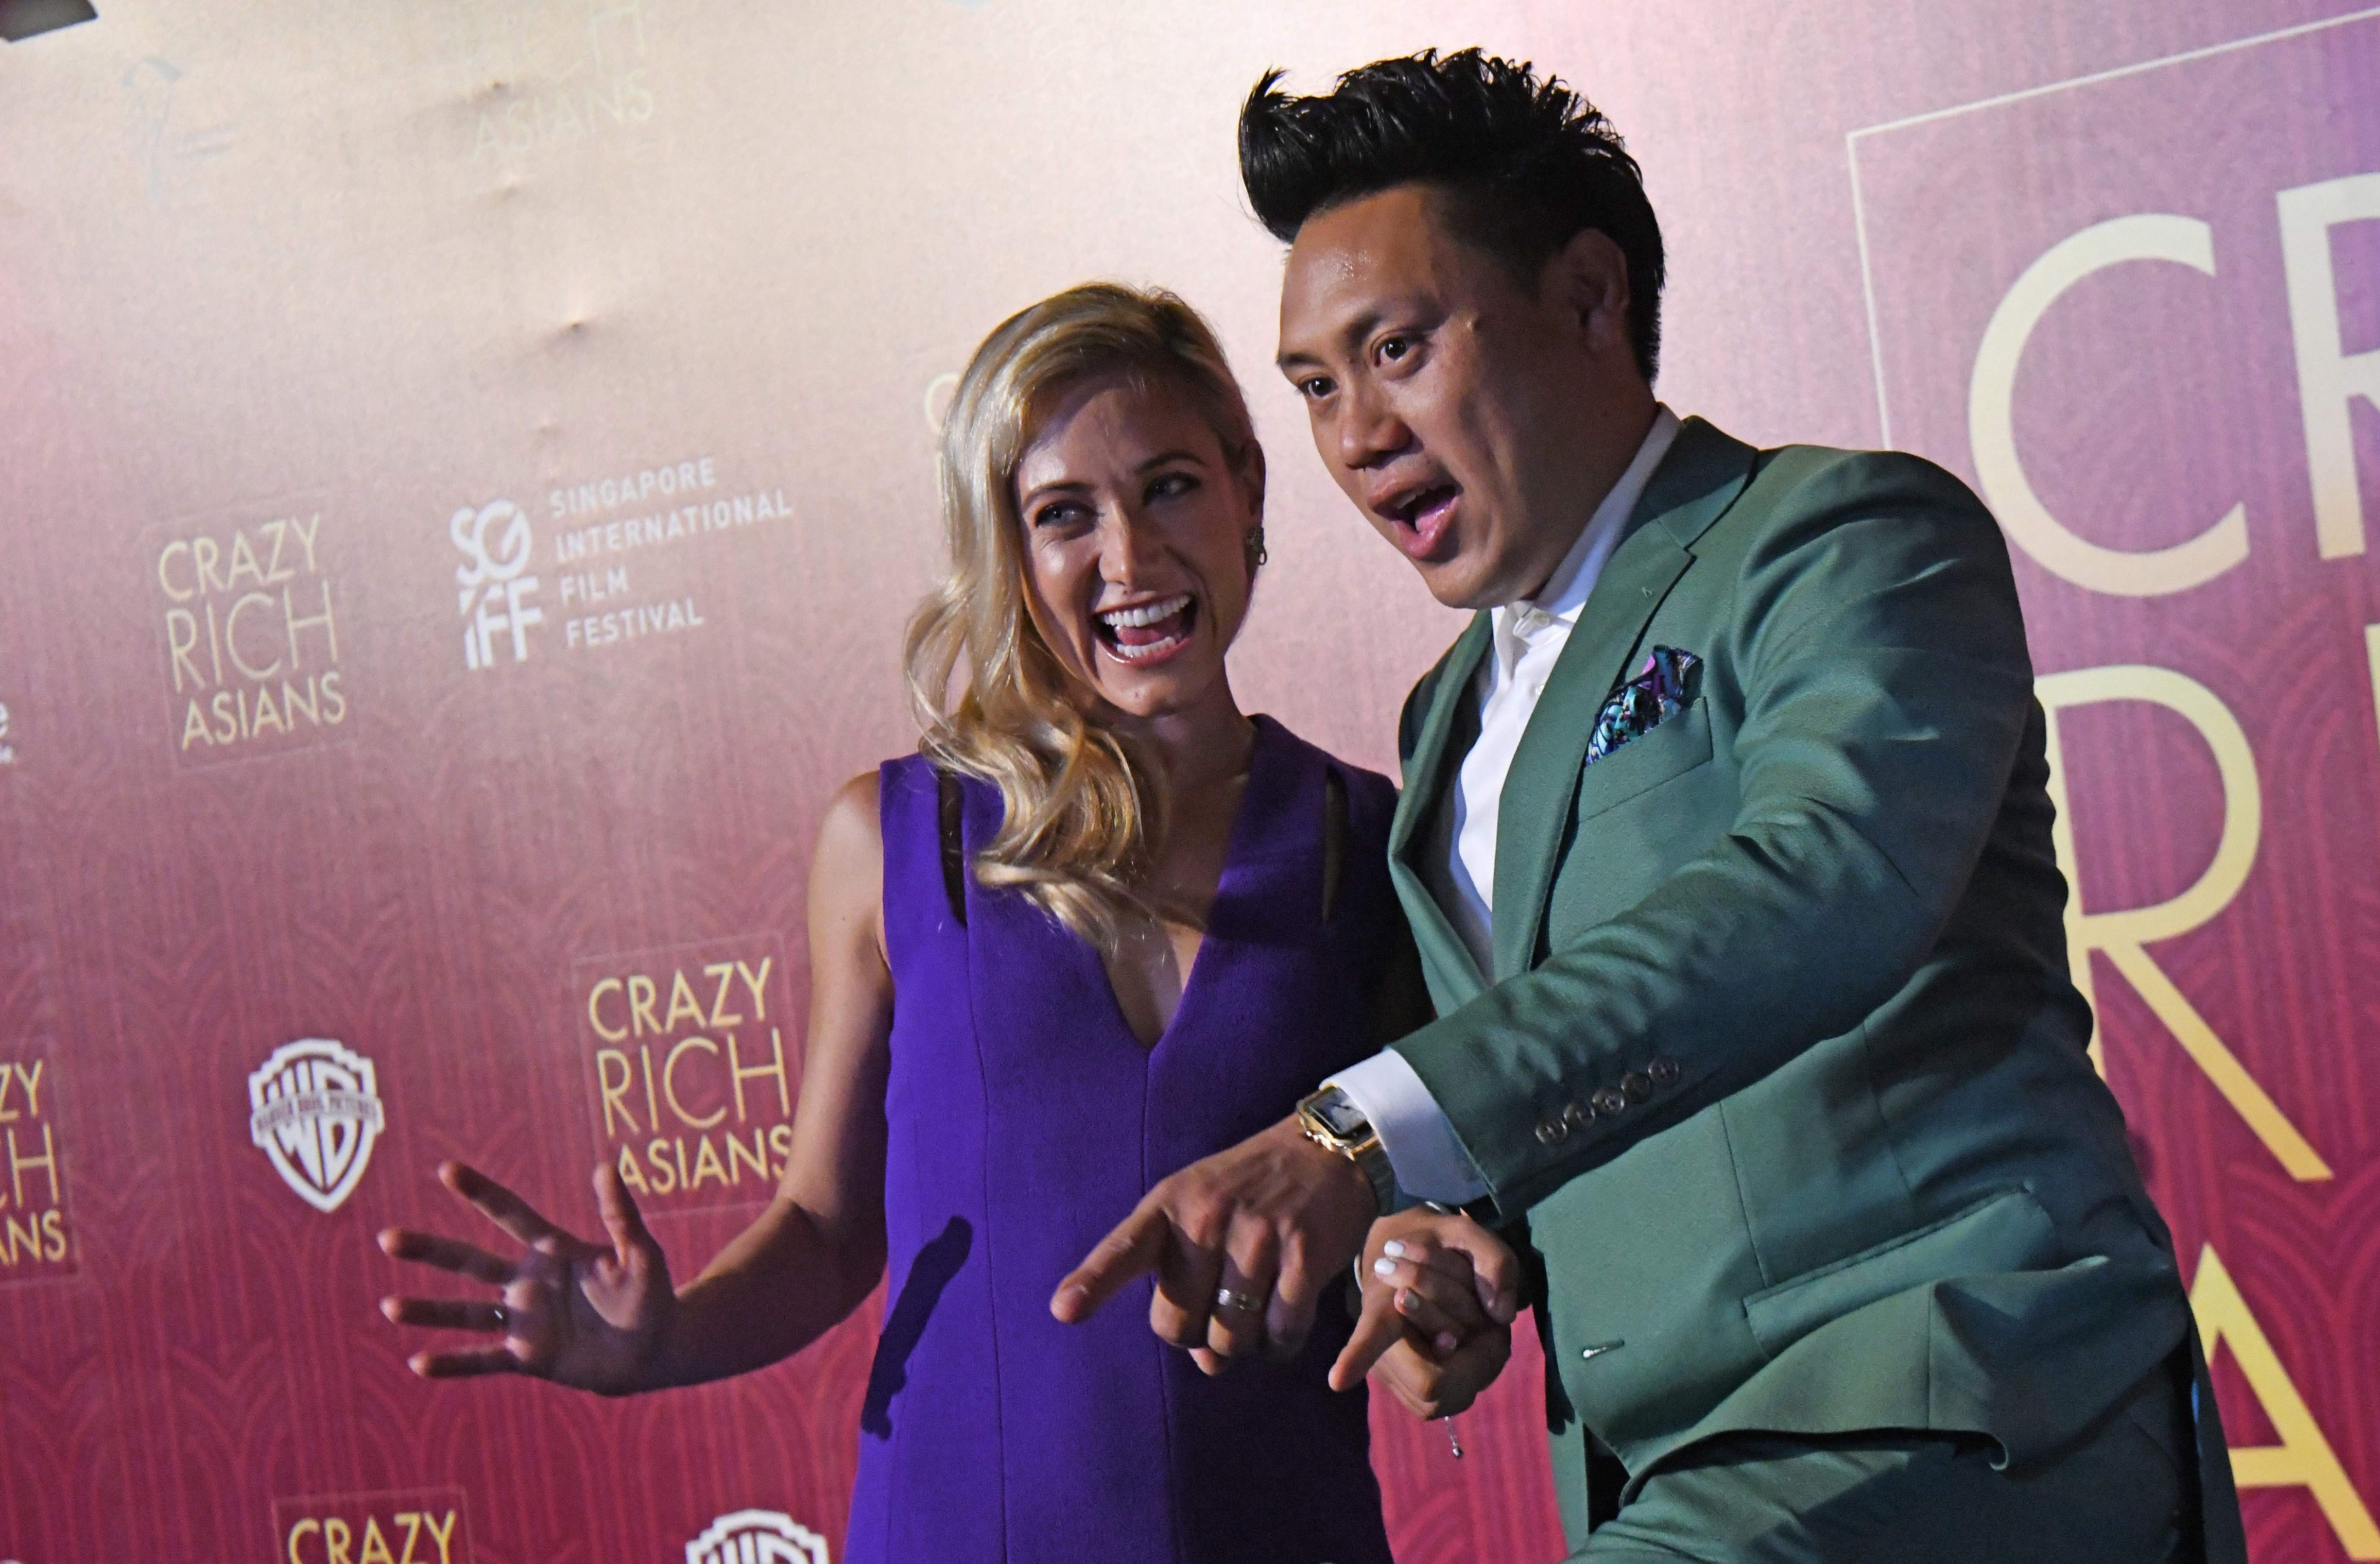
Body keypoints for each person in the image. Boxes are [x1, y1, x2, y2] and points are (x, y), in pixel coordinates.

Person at [1051, 52, 2249, 1562]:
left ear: (1588, 297)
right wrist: (1457, 1247)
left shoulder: (1840, 539)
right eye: (1315, 385)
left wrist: (1362, 1133)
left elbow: (1823, 884)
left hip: (1952, 1399)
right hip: (1681, 1472)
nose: (1356, 433)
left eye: (1398, 348)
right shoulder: (1444, 720)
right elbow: (1566, 1088)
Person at [375, 282, 1509, 1564]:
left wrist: (1425, 1297)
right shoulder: (893, 840)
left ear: (1247, 488)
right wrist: (661, 1338)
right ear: (1005, 552)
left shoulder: (1367, 842)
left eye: (1170, 488)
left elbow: (1403, 1213)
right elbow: (825, 1230)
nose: (1130, 560)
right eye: (1064, 514)